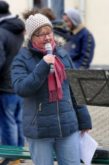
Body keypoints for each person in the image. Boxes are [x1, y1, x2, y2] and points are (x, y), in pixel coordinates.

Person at [11, 13, 92, 165]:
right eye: (42, 34)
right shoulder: (22, 58)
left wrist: (84, 119)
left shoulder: (62, 54)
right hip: (39, 130)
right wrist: (42, 66)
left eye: (49, 32)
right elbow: (21, 88)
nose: (47, 38)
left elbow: (75, 88)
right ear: (32, 37)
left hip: (67, 126)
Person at [0, 1, 25, 163]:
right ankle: (19, 155)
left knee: (7, 122)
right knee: (18, 120)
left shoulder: (1, 31)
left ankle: (11, 157)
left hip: (4, 85)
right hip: (18, 81)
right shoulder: (18, 29)